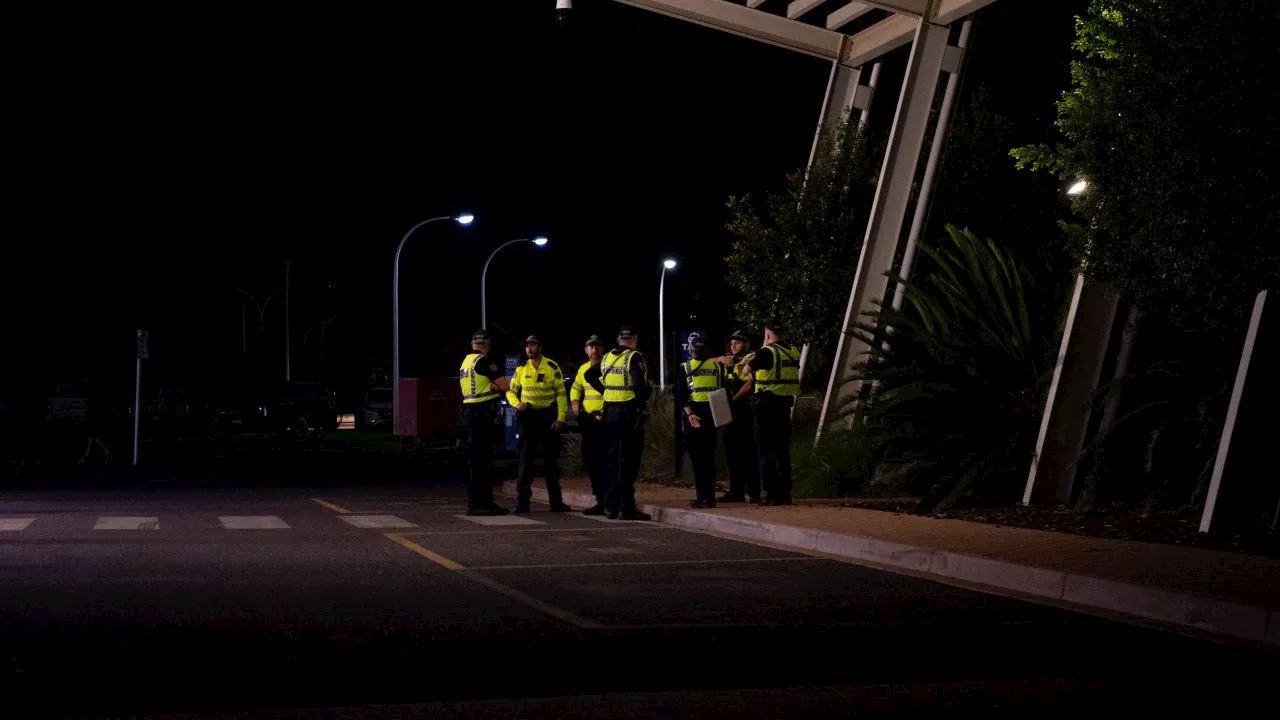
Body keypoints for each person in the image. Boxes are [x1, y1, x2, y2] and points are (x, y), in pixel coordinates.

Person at [584, 325, 652, 520]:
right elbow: (640, 387)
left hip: (609, 415)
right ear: (634, 339)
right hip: (628, 414)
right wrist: (642, 405)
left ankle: (611, 506)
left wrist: (605, 391)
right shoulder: (634, 357)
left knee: (612, 462)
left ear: (618, 339)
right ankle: (626, 508)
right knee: (629, 462)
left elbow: (589, 375)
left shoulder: (607, 358)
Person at [506, 335, 572, 513]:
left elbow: (560, 394)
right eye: (527, 346)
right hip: (528, 418)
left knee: (551, 462)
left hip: (547, 418)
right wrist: (516, 404)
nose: (529, 349)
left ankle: (556, 503)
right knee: (526, 462)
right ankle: (522, 503)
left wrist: (561, 418)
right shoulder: (521, 369)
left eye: (533, 345)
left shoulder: (551, 367)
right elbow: (510, 391)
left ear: (540, 347)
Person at [740, 320, 800, 505]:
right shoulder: (793, 351)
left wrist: (761, 349)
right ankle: (785, 493)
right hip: (784, 406)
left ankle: (771, 493)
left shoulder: (767, 352)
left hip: (766, 405)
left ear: (767, 335)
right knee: (782, 451)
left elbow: (746, 370)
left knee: (766, 451)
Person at [458, 330, 511, 516]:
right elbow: (505, 385)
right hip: (482, 416)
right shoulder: (484, 361)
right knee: (484, 462)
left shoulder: (466, 361)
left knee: (477, 462)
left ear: (472, 343)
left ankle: (483, 502)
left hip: (470, 415)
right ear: (487, 344)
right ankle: (480, 505)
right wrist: (496, 386)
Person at [676, 330, 725, 509]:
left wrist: (689, 415)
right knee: (709, 458)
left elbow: (681, 396)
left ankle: (701, 497)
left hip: (694, 416)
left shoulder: (685, 368)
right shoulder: (717, 368)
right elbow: (723, 391)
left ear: (691, 350)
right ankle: (710, 498)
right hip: (712, 414)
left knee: (698, 459)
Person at [715, 329, 760, 503]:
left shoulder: (749, 359)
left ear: (746, 344)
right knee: (732, 453)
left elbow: (750, 383)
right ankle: (736, 491)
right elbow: (710, 361)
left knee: (748, 452)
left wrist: (733, 399)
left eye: (737, 342)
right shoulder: (730, 359)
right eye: (731, 342)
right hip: (730, 409)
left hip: (744, 410)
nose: (733, 346)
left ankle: (753, 491)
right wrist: (720, 359)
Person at [570, 335, 607, 512]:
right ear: (586, 350)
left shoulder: (608, 366)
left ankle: (608, 499)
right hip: (589, 422)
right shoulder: (583, 369)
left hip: (606, 420)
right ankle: (600, 499)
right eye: (591, 347)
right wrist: (575, 403)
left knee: (605, 460)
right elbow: (576, 388)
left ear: (602, 349)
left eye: (597, 347)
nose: (594, 350)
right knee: (591, 460)